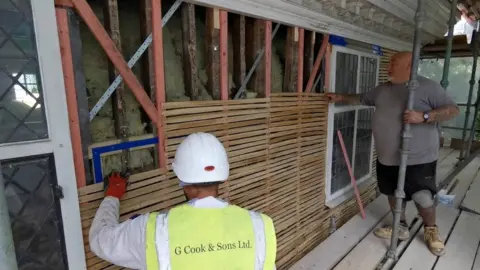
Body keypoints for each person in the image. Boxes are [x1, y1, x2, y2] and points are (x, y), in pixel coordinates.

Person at [326, 51, 459, 256]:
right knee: (391, 192)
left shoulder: (427, 87)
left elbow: (452, 110)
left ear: (409, 66)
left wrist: (424, 116)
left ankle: (431, 230)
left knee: (422, 196)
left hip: (419, 157)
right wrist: (340, 97)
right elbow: (362, 98)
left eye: (393, 63)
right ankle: (401, 226)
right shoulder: (382, 89)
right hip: (387, 156)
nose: (388, 66)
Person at [89, 132, 277, 270]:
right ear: (223, 178)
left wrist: (112, 196)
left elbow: (100, 239)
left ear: (183, 183)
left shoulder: (154, 231)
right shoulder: (261, 225)